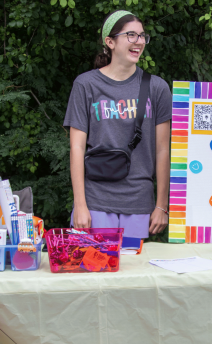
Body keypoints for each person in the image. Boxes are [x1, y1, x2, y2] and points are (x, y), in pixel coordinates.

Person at [63, 10, 171, 238]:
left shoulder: (157, 88)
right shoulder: (86, 84)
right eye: (131, 35)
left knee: (133, 270)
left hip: (139, 202)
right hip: (95, 201)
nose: (139, 41)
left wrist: (161, 206)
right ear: (110, 42)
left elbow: (162, 150)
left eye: (142, 36)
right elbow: (77, 148)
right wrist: (80, 204)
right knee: (95, 270)